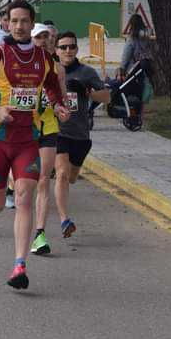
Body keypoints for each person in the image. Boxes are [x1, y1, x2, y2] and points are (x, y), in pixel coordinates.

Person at [0, 0, 69, 290]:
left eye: (24, 21)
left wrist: (58, 104)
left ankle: (19, 265)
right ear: (6, 24)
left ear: (32, 25)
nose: (19, 26)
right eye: (14, 21)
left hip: (27, 140)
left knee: (23, 198)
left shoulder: (44, 58)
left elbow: (53, 84)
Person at [53, 30, 114, 235]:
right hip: (57, 132)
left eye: (71, 47)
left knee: (71, 177)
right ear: (56, 50)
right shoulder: (51, 71)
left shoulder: (86, 72)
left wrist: (87, 92)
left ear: (77, 49)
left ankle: (63, 185)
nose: (68, 50)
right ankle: (64, 220)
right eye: (63, 47)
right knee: (61, 174)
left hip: (80, 135)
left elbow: (106, 98)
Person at [29, 22, 65, 256]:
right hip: (22, 127)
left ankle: (39, 233)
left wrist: (62, 108)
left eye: (49, 37)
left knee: (43, 179)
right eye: (40, 37)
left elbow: (61, 97)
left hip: (48, 126)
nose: (46, 41)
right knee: (24, 180)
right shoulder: (20, 63)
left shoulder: (58, 69)